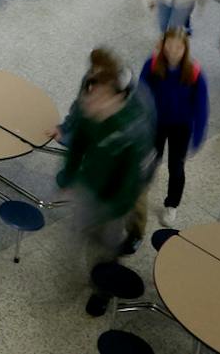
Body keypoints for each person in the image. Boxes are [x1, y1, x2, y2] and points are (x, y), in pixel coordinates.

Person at [57, 49, 156, 265]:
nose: (91, 102)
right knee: (83, 228)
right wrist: (69, 176)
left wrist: (112, 211)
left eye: (100, 97)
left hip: (119, 196)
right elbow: (78, 142)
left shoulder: (134, 129)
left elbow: (132, 182)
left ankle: (107, 275)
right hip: (93, 181)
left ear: (118, 97)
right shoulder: (93, 93)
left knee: (107, 243)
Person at [138, 27, 208, 226]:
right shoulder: (152, 65)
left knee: (176, 167)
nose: (173, 51)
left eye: (178, 47)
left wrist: (198, 137)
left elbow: (201, 106)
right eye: (169, 45)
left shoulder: (194, 72)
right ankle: (140, 191)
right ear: (162, 45)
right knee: (151, 159)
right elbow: (141, 93)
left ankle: (172, 204)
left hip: (181, 127)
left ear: (185, 48)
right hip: (156, 123)